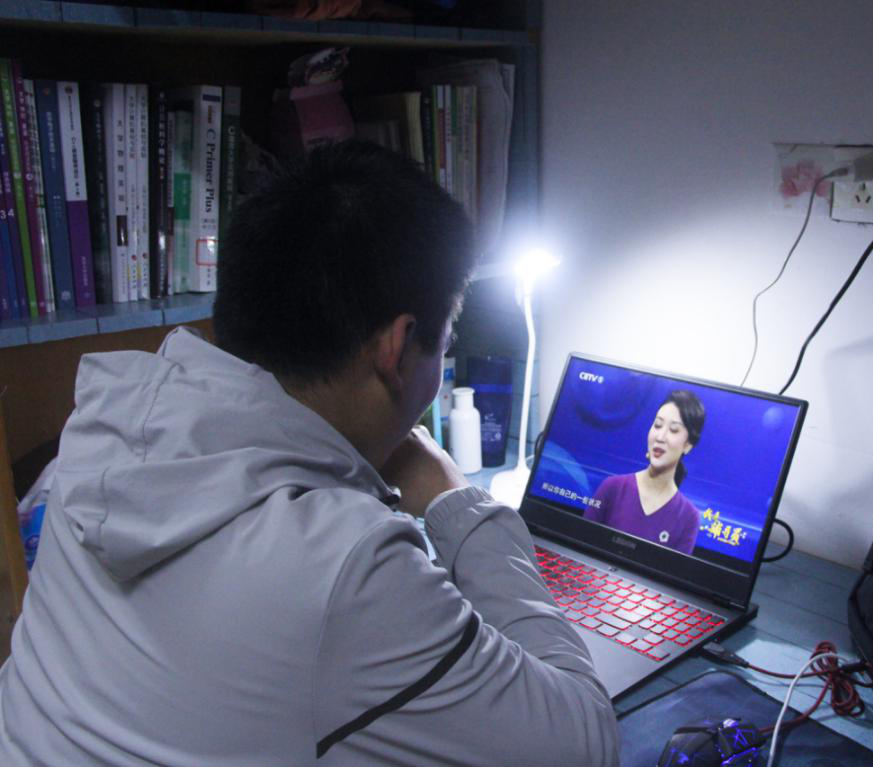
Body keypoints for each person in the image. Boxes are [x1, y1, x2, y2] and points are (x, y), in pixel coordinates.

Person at [0, 142, 619, 766]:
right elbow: (583, 744)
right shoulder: (346, 568)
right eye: (447, 338)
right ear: (398, 347)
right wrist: (458, 503)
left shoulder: (103, 426)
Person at [584, 390, 705, 555]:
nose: (660, 437)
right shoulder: (612, 487)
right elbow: (580, 545)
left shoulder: (689, 517)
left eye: (673, 430)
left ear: (688, 444)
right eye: (657, 425)